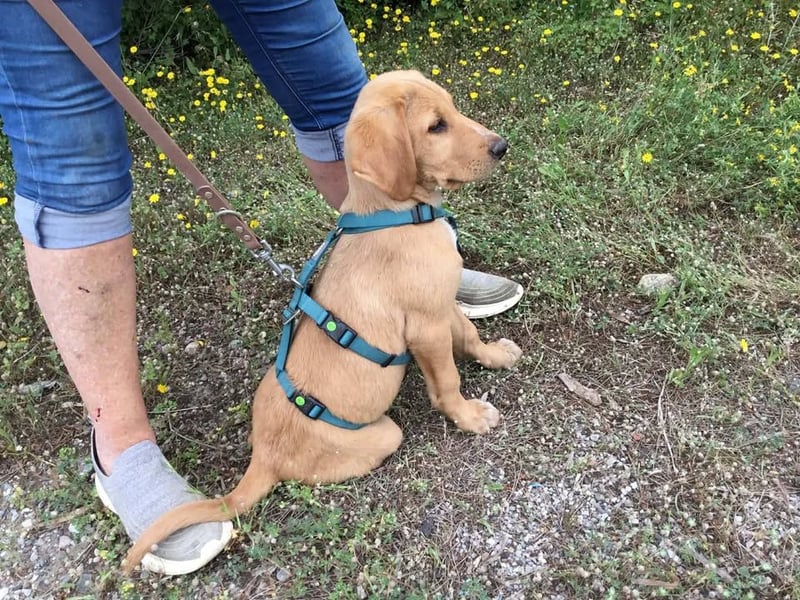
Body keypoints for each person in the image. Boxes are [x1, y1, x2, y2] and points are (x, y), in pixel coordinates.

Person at [0, 0, 523, 575]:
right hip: (339, 430)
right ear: (388, 154)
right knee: (71, 153)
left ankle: (429, 281)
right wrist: (453, 400)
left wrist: (471, 341)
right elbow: (424, 338)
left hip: (319, 365)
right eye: (439, 127)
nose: (484, 138)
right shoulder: (381, 147)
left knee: (322, 70)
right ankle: (121, 445)